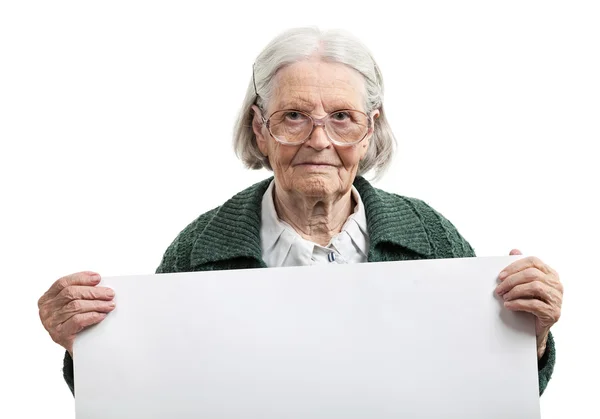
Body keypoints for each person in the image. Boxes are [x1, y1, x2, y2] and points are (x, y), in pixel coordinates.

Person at [38, 27, 563, 398]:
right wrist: (85, 344)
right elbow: (151, 391)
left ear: (370, 128)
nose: (319, 140)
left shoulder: (429, 234)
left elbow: (485, 392)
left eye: (341, 117)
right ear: (261, 128)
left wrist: (530, 339)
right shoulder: (200, 247)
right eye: (293, 116)